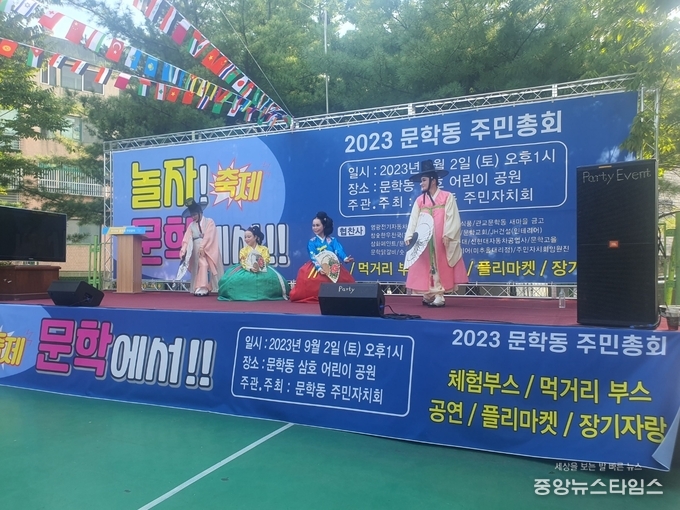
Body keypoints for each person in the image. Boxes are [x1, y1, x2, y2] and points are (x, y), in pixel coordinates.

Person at [404, 159, 468, 307]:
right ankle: (428, 294)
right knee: (425, 266)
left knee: (439, 265)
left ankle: (439, 294)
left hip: (440, 239)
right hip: (424, 241)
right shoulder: (420, 200)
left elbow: (452, 216)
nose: (421, 183)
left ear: (433, 180)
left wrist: (448, 234)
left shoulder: (446, 197)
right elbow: (413, 219)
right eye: (421, 180)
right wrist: (409, 235)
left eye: (424, 180)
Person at [289, 211, 355, 303]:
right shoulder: (312, 242)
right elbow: (313, 256)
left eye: (317, 225)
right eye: (313, 225)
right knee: (307, 278)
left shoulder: (332, 240)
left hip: (332, 265)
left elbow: (338, 250)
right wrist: (319, 268)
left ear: (324, 226)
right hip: (316, 265)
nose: (315, 228)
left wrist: (345, 258)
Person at [217, 225, 290, 301]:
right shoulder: (243, 250)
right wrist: (250, 268)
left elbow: (266, 259)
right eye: (245, 237)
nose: (246, 239)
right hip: (246, 268)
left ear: (255, 237)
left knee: (271, 280)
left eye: (249, 237)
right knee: (233, 280)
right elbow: (243, 261)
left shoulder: (264, 249)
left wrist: (259, 266)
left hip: (262, 268)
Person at [179, 198, 224, 296]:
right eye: (192, 215)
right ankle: (200, 287)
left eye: (195, 214)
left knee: (212, 266)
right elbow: (186, 239)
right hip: (196, 249)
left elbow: (209, 235)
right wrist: (183, 251)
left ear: (200, 212)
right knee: (201, 266)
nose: (193, 217)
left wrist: (202, 247)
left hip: (209, 247)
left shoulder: (209, 222)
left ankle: (216, 287)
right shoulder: (191, 226)